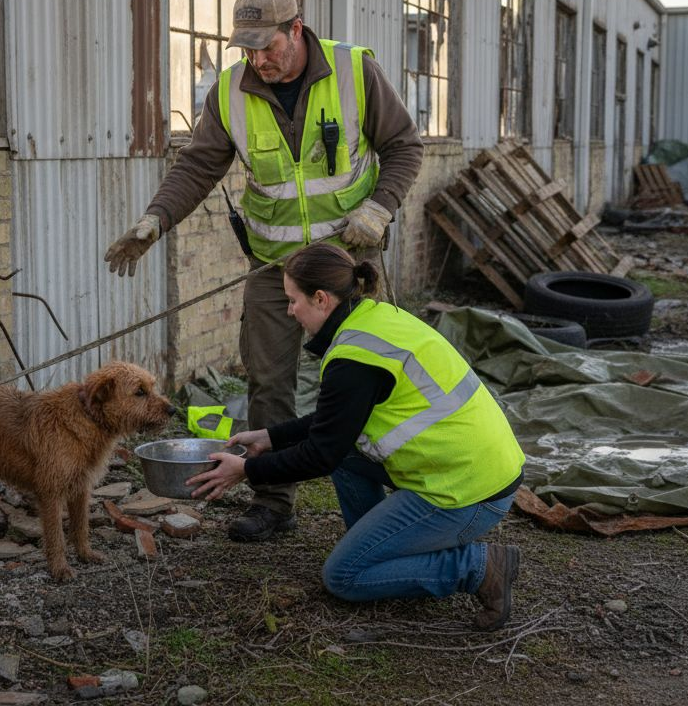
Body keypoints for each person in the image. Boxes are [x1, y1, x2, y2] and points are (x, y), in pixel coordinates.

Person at [103, 0, 424, 542]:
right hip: (275, 270)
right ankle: (274, 504)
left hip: (350, 262)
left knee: (374, 376)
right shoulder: (229, 92)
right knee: (268, 385)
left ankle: (402, 492)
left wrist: (380, 207)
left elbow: (405, 147)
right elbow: (198, 165)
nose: (258, 60)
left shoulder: (354, 72)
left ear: (296, 30)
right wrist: (153, 220)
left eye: (268, 46)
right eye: (247, 49)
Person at [186, 243, 526, 631]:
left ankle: (478, 568)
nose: (288, 310)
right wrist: (271, 436)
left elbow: (322, 453)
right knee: (349, 455)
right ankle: (383, 548)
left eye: (293, 300)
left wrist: (247, 469)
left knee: (343, 576)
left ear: (320, 298)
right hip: (476, 470)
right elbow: (339, 422)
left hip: (467, 493)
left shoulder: (353, 359)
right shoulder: (371, 319)